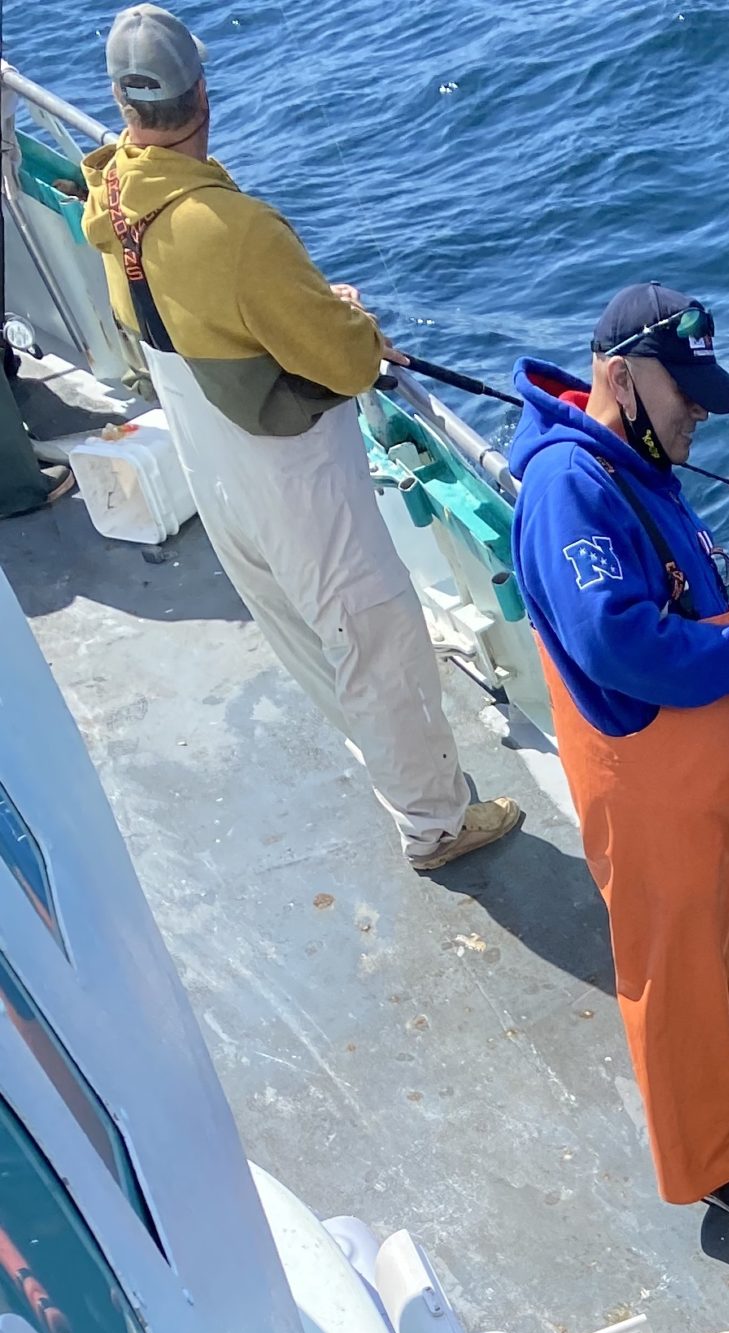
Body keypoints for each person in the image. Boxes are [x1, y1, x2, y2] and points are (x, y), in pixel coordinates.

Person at [80, 6, 520, 873]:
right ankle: (435, 825)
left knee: (303, 631)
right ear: (202, 91)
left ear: (125, 108)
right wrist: (348, 317)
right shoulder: (234, 228)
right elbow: (348, 364)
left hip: (215, 464)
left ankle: (389, 773)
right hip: (288, 471)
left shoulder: (113, 195)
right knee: (376, 634)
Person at [508, 284, 729, 1231]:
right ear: (619, 376)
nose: (700, 414)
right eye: (686, 396)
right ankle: (709, 1160)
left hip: (714, 774)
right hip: (649, 784)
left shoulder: (633, 463)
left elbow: (688, 602)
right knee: (679, 974)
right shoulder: (568, 487)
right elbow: (616, 639)